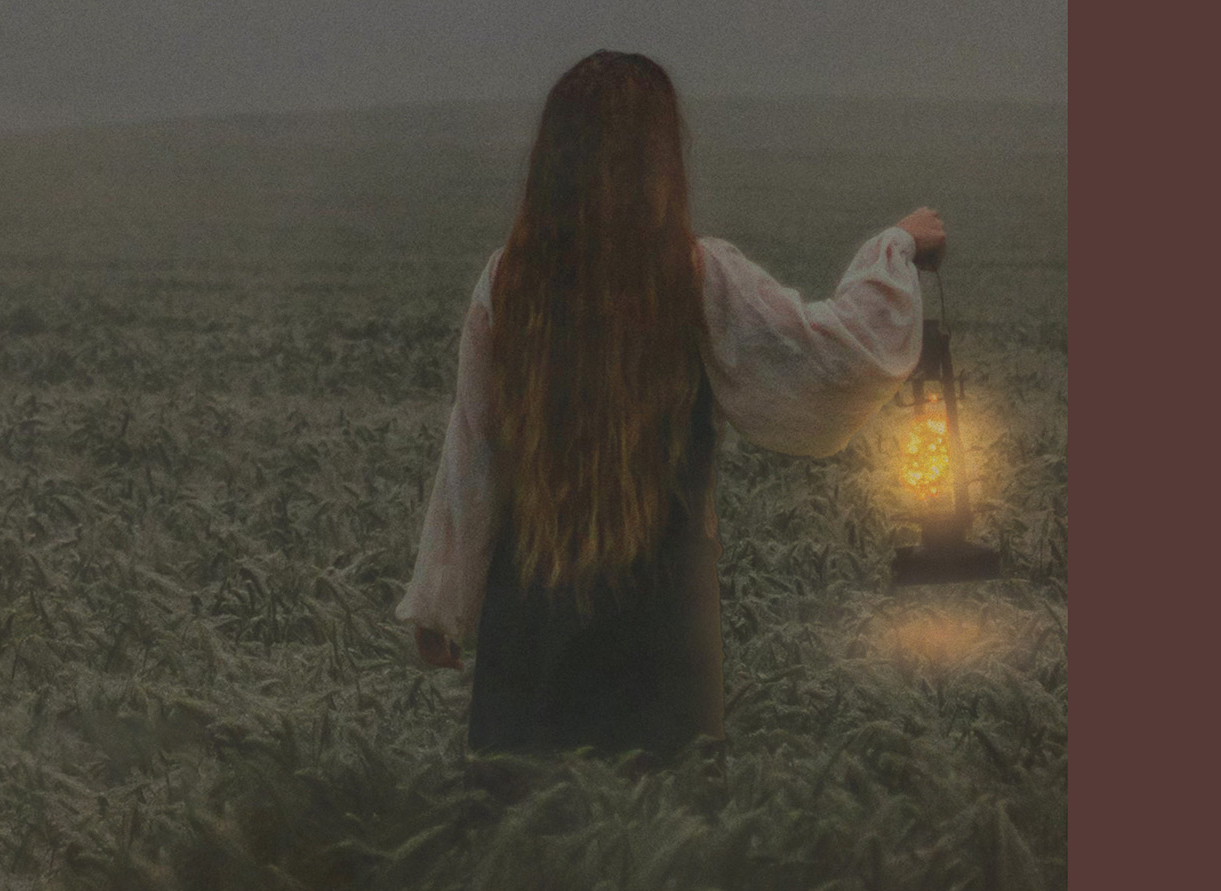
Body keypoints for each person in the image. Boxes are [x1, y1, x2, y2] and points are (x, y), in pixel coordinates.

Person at [395, 51, 943, 758]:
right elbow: (831, 355)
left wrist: (441, 604)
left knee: (528, 844)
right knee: (667, 840)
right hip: (661, 627)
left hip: (530, 626)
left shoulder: (507, 281)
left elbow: (472, 455)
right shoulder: (694, 275)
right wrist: (896, 246)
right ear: (655, 161)